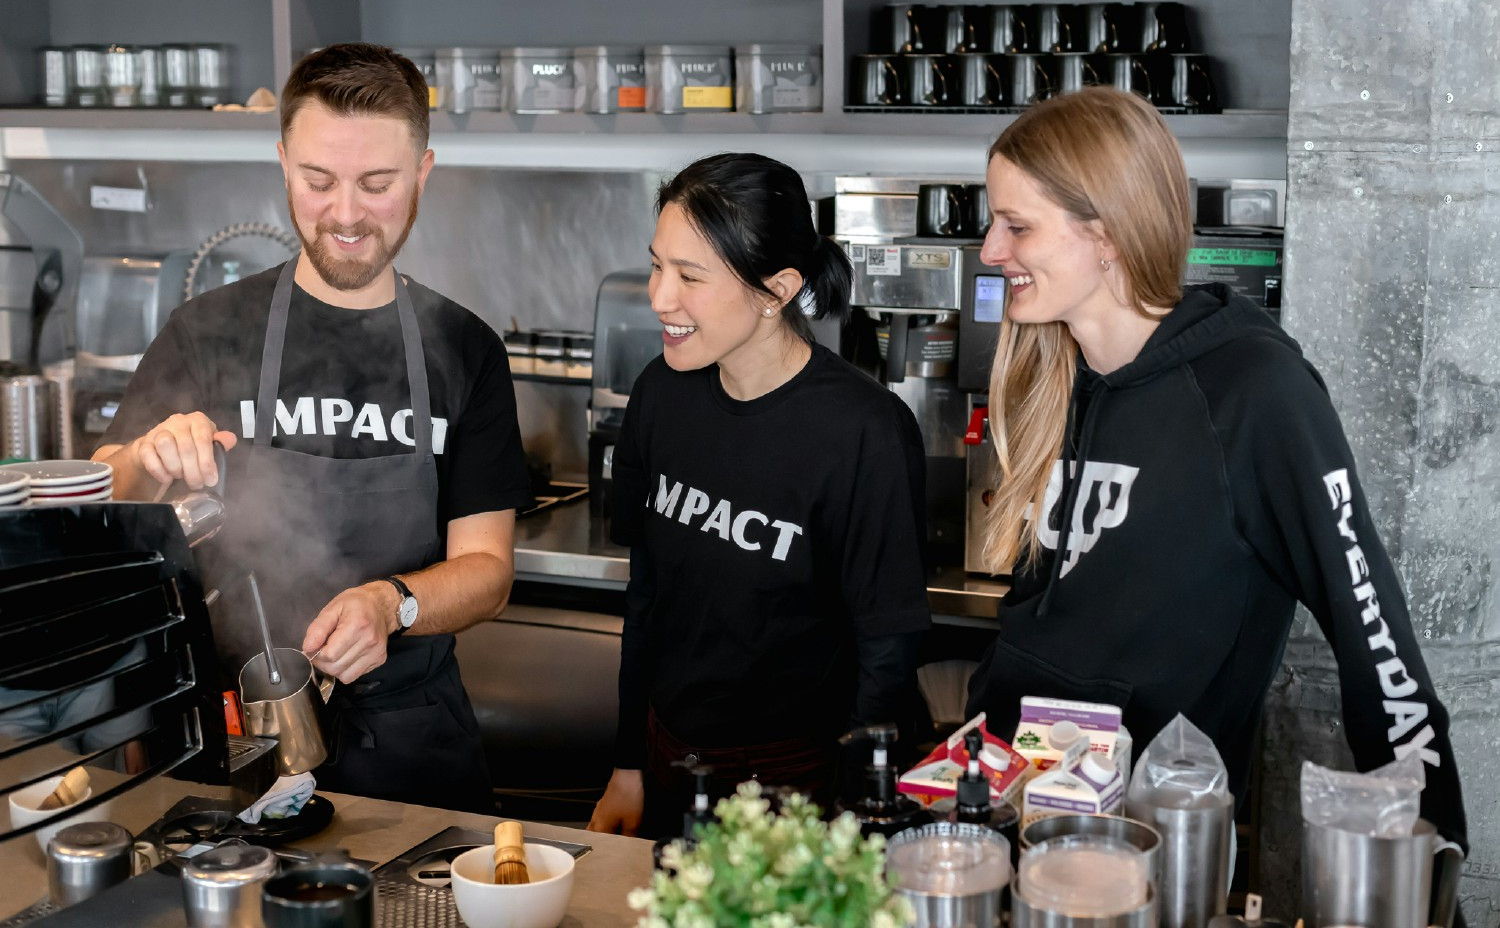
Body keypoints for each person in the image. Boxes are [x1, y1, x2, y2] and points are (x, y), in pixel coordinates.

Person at [964, 87, 1468, 856]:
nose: (991, 251)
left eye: (1017, 225)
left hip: (1155, 838)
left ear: (1105, 233)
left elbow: (1373, 637)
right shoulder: (1049, 371)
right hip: (1013, 803)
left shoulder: (1253, 391)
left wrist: (1433, 860)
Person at [93, 44, 531, 814]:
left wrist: (392, 603)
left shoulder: (465, 350)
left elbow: (488, 569)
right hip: (230, 742)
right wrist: (145, 457)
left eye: (378, 184)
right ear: (283, 163)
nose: (347, 214)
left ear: (423, 172)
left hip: (410, 751)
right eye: (318, 180)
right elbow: (109, 493)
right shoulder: (209, 329)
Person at [586, 153, 932, 839]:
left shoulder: (863, 431)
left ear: (777, 290)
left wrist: (851, 819)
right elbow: (648, 594)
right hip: (668, 758)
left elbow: (886, 649)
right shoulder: (661, 392)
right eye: (658, 265)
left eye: (690, 276)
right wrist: (628, 763)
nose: (659, 297)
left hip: (794, 780)